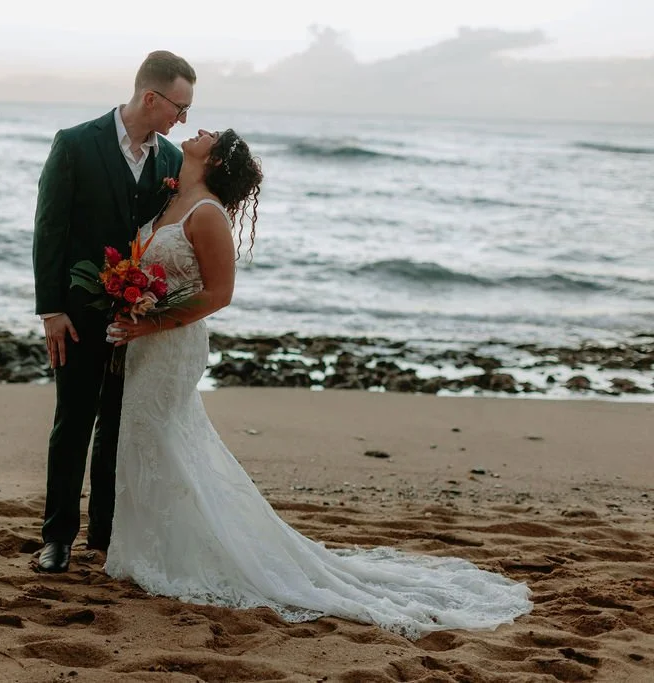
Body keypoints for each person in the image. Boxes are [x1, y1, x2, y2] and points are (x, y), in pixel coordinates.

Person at [104, 129, 533, 639]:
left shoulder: (209, 213)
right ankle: (148, 545)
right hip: (145, 341)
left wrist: (150, 321)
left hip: (171, 344)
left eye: (209, 134)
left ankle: (182, 555)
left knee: (165, 439)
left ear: (215, 157)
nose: (197, 131)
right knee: (146, 438)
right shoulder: (172, 195)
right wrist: (132, 301)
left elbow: (219, 294)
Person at [32, 50, 197, 573]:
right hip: (78, 314)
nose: (182, 119)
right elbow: (49, 229)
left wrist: (154, 308)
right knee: (72, 422)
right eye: (179, 106)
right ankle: (57, 537)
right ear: (151, 97)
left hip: (137, 319)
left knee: (119, 427)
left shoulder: (171, 160)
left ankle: (103, 537)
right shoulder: (76, 144)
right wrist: (51, 309)